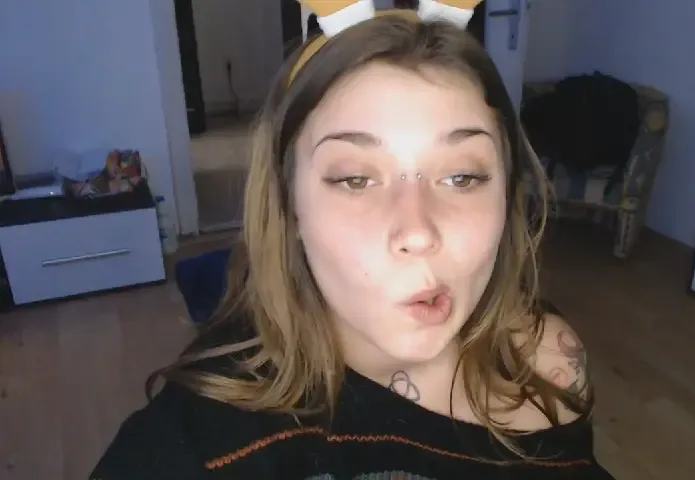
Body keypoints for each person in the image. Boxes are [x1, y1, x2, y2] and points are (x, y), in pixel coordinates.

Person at [90, 1, 614, 478]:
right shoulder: (197, 446)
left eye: (461, 176)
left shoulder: (547, 357)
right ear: (290, 206)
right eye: (355, 179)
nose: (417, 232)